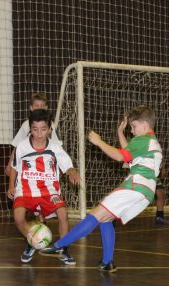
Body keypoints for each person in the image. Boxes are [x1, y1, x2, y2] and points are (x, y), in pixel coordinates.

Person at [48, 105, 162, 272]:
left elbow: (119, 156)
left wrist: (98, 141)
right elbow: (128, 154)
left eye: (134, 126)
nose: (132, 130)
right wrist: (120, 133)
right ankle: (107, 262)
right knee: (106, 217)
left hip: (136, 185)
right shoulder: (150, 142)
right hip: (145, 191)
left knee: (96, 213)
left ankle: (60, 245)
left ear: (144, 125)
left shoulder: (142, 140)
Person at [7, 109, 80, 264]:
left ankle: (63, 248)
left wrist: (72, 171)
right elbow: (14, 167)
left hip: (49, 189)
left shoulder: (54, 147)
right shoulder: (22, 146)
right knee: (18, 217)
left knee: (63, 215)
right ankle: (31, 242)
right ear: (30, 129)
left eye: (43, 129)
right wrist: (11, 186)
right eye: (35, 130)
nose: (39, 134)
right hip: (25, 189)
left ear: (49, 129)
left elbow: (67, 165)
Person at [5, 92, 61, 177]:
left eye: (42, 106)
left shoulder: (50, 125)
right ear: (31, 107)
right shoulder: (26, 125)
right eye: (37, 106)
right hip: (28, 166)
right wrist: (9, 165)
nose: (40, 108)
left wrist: (60, 166)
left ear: (46, 107)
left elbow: (57, 147)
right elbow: (17, 146)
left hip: (45, 165)